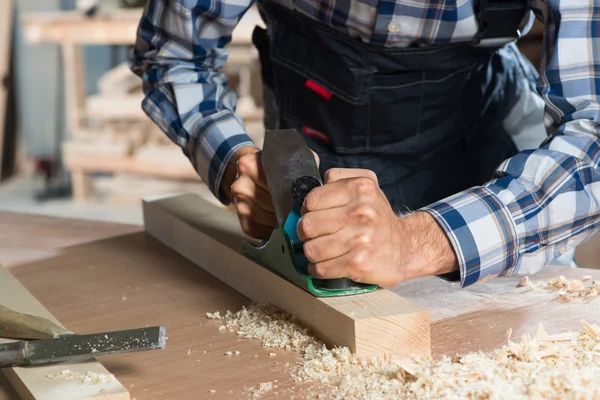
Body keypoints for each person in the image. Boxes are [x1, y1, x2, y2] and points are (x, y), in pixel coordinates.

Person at [129, 0, 600, 288]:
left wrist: (419, 243)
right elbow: (174, 54)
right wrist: (234, 162)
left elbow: (594, 138)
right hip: (313, 127)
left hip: (488, 154)